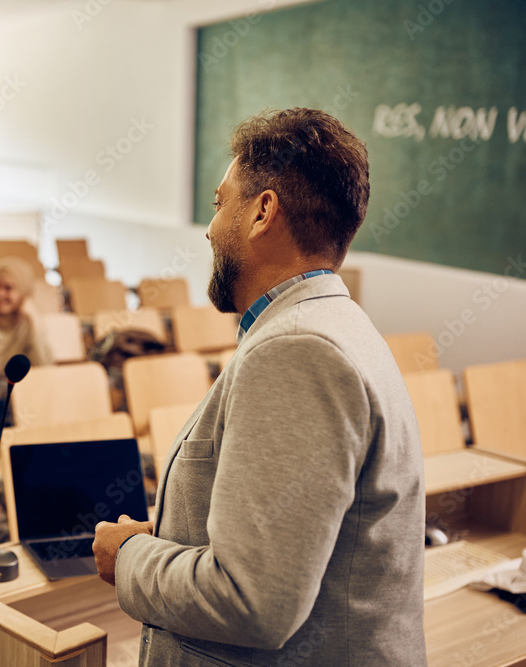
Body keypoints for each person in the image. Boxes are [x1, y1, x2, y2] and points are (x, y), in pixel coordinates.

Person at [93, 108, 426, 665]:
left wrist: (129, 556)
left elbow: (252, 602)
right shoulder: (338, 324)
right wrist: (180, 533)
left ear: (262, 211)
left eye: (221, 202)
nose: (208, 226)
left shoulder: (298, 352)